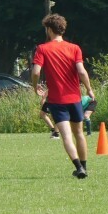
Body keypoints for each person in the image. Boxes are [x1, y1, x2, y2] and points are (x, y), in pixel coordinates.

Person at [31, 13, 96, 179]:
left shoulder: (42, 49)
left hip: (57, 100)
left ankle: (78, 167)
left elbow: (36, 72)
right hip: (74, 98)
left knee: (66, 136)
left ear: (49, 29)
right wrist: (88, 89)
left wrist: (35, 86)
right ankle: (84, 167)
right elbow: (81, 71)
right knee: (79, 133)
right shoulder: (74, 48)